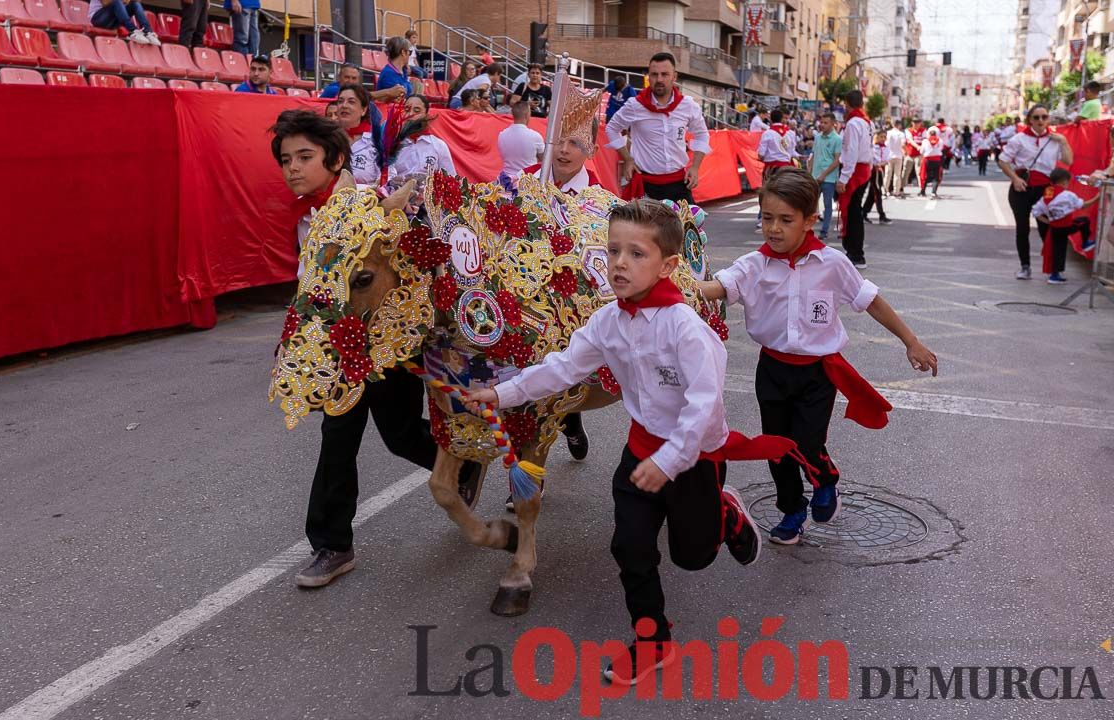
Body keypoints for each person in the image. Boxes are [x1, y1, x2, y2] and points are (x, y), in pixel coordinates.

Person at [465, 198, 781, 685]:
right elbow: (563, 368)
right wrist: (499, 394)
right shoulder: (608, 321)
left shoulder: (688, 330)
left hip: (693, 457)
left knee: (692, 558)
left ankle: (724, 512)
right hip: (640, 455)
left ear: (668, 265)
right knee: (630, 548)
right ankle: (653, 641)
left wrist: (672, 460)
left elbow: (705, 409)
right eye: (613, 251)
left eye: (636, 253)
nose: (619, 263)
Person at [268, 110, 481, 589]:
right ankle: (332, 544)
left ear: (337, 157)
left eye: (305, 157)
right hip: (339, 349)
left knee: (400, 434)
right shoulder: (308, 216)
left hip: (386, 343)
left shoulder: (370, 205)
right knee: (337, 436)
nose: (293, 168)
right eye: (286, 160)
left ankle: (464, 460)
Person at [699, 168, 937, 544]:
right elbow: (718, 287)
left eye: (785, 220)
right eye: (766, 218)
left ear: (810, 221)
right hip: (772, 369)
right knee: (776, 447)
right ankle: (792, 510)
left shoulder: (832, 263)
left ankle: (826, 480)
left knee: (808, 441)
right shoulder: (754, 265)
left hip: (817, 373)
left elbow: (870, 301)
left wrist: (911, 340)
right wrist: (676, 289)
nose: (774, 228)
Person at [605, 51, 710, 203]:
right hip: (646, 186)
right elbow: (611, 128)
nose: (659, 79)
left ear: (674, 76)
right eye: (654, 74)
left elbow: (702, 134)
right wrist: (627, 159)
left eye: (665, 74)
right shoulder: (635, 105)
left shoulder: (687, 105)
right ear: (648, 77)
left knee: (690, 227)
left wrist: (695, 167)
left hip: (679, 184)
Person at [998, 104, 1075, 280]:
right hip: (1022, 189)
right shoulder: (1019, 139)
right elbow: (1003, 161)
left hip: (1046, 191)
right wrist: (1015, 179)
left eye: (1044, 117)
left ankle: (1054, 270)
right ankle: (1025, 267)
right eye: (1036, 117)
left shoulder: (1056, 140)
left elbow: (1068, 160)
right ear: (1029, 120)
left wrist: (1063, 141)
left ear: (1048, 119)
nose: (1041, 121)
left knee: (1048, 229)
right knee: (1022, 228)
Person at [1033, 167, 1100, 283]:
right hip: (1065, 226)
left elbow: (1036, 212)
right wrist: (1096, 198)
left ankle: (1054, 275)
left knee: (1057, 250)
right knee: (1084, 220)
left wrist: (1048, 221)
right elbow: (1082, 205)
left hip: (1054, 228)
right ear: (1064, 182)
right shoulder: (1068, 195)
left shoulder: (1047, 193)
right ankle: (1085, 242)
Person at [836, 90, 873, 269]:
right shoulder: (867, 122)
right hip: (864, 169)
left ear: (847, 104)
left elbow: (850, 152)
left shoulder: (853, 123)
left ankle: (855, 253)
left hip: (855, 171)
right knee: (854, 212)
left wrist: (843, 178)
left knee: (852, 213)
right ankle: (854, 251)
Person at [335, 84, 384, 187]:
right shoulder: (326, 137)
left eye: (351, 102)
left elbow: (387, 175)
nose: (344, 105)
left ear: (363, 110)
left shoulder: (376, 141)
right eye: (340, 101)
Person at [809, 112, 842, 239]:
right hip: (814, 176)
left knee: (827, 204)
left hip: (828, 177)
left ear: (833, 124)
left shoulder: (837, 139)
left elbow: (837, 160)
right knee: (811, 203)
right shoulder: (817, 137)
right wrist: (810, 169)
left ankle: (824, 230)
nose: (822, 125)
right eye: (821, 122)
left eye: (825, 123)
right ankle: (809, 228)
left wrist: (824, 174)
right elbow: (814, 154)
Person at [497, 100, 544, 182]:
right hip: (527, 181)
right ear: (527, 115)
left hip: (506, 179)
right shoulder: (535, 136)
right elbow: (544, 158)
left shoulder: (502, 134)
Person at [758, 108, 799, 177]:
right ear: (781, 118)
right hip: (785, 167)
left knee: (769, 187)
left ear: (770, 119)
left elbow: (761, 154)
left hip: (771, 167)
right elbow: (791, 152)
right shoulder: (791, 133)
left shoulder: (767, 133)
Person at [862, 130, 891, 224]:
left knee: (872, 193)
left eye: (884, 137)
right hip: (873, 171)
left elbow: (886, 160)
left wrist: (881, 164)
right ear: (876, 137)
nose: (883, 139)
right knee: (877, 193)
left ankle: (864, 212)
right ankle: (881, 215)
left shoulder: (886, 148)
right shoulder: (873, 147)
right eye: (881, 137)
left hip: (880, 171)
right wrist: (878, 164)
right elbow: (872, 159)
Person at [373, 36, 415, 102]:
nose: (409, 55)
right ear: (403, 52)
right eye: (410, 52)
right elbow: (395, 100)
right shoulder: (389, 74)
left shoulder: (403, 71)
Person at [918, 127, 944, 198]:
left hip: (927, 161)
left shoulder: (925, 141)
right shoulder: (940, 141)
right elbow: (941, 149)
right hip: (937, 160)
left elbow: (921, 151)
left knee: (924, 175)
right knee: (936, 177)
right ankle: (933, 192)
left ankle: (923, 191)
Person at [883, 119, 906, 197]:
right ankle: (896, 191)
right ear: (899, 125)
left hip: (889, 155)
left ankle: (885, 191)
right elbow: (903, 144)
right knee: (897, 174)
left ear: (893, 124)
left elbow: (885, 144)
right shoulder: (901, 134)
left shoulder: (888, 133)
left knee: (887, 174)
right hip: (898, 155)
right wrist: (905, 152)